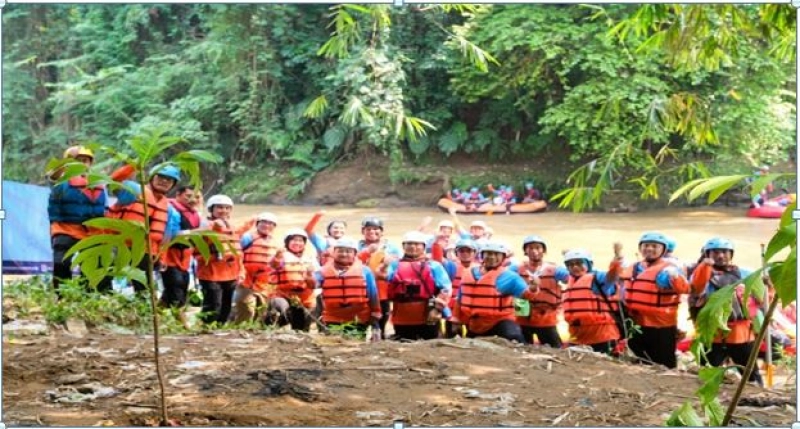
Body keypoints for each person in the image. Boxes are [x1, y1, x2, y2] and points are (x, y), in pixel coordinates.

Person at [47, 145, 131, 294]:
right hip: (65, 228)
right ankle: (62, 295)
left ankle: (88, 295)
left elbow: (116, 179)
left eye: (85, 160)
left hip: (91, 231)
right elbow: (53, 175)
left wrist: (132, 166)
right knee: (61, 263)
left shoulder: (97, 181)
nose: (82, 164)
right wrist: (66, 162)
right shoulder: (61, 178)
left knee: (92, 266)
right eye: (78, 160)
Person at [690, 237, 764, 386]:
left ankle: (758, 393)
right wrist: (704, 266)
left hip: (741, 334)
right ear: (707, 254)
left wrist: (768, 283)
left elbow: (761, 298)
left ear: (731, 254)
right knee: (707, 373)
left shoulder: (745, 273)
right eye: (715, 252)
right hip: (713, 334)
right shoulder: (701, 273)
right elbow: (696, 288)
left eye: (724, 252)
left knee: (750, 374)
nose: (720, 256)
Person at [109, 164, 181, 294]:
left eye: (169, 180)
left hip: (145, 251)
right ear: (152, 177)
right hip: (120, 245)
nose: (164, 181)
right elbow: (114, 182)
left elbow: (166, 237)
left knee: (144, 289)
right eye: (161, 177)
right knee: (104, 278)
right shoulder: (134, 190)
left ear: (173, 185)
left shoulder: (169, 209)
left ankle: (144, 311)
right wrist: (133, 165)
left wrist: (162, 257)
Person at [621, 232, 690, 369]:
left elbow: (685, 289)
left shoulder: (669, 269)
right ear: (640, 248)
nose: (650, 249)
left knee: (664, 361)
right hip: (638, 322)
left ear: (663, 250)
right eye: (646, 246)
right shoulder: (634, 267)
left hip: (661, 324)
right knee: (641, 356)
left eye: (654, 246)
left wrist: (675, 277)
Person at [457, 242, 539, 343]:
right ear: (482, 255)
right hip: (475, 323)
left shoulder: (511, 277)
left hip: (501, 321)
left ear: (503, 257)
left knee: (514, 337)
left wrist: (533, 289)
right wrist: (456, 319)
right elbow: (460, 299)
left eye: (496, 254)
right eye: (489, 253)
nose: (492, 257)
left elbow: (526, 296)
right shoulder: (469, 274)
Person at [195, 194, 253, 326]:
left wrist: (241, 271)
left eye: (227, 208)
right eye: (220, 207)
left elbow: (238, 253)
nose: (224, 211)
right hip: (210, 273)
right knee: (213, 304)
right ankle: (206, 327)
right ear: (212, 209)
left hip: (230, 273)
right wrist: (214, 229)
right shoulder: (205, 225)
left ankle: (220, 327)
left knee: (226, 304)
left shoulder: (231, 228)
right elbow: (202, 243)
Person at [383, 231, 452, 341]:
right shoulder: (394, 265)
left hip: (428, 315)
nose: (413, 247)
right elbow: (385, 280)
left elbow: (446, 289)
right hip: (402, 316)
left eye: (417, 244)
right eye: (409, 244)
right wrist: (384, 265)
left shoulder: (433, 265)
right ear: (403, 246)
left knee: (430, 345)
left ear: (423, 247)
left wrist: (437, 309)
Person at [559, 245, 624, 354]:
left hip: (602, 336)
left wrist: (617, 260)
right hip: (578, 337)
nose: (575, 267)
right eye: (571, 264)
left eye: (579, 263)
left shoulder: (597, 279)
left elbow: (612, 276)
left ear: (589, 265)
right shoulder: (571, 281)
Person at [315, 238, 381, 338]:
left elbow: (373, 294)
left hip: (358, 317)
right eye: (340, 251)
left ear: (354, 254)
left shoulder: (365, 271)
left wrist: (376, 312)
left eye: (348, 251)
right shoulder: (323, 271)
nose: (344, 254)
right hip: (332, 317)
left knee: (355, 345)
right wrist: (308, 278)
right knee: (334, 346)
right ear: (334, 253)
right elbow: (313, 284)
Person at [159, 185, 202, 328]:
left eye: (196, 197)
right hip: (169, 257)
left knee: (173, 292)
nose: (192, 200)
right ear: (178, 194)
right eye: (188, 196)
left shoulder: (195, 214)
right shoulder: (170, 209)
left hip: (184, 260)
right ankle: (183, 326)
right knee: (177, 292)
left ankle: (150, 318)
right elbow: (168, 235)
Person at [512, 235, 563, 348]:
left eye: (538, 247)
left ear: (543, 250)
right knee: (521, 349)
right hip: (522, 315)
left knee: (556, 349)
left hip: (546, 318)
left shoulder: (555, 270)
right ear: (525, 251)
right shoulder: (516, 269)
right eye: (530, 248)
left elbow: (572, 276)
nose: (534, 251)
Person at [356, 217, 402, 338]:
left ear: (382, 232)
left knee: (380, 326)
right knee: (359, 327)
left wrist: (386, 266)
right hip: (360, 292)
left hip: (383, 293)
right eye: (368, 229)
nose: (372, 231)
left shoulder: (391, 248)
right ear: (363, 231)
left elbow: (397, 270)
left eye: (376, 229)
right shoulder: (356, 247)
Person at [267, 228, 319, 331]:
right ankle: (275, 324)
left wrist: (309, 275)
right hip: (283, 294)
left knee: (302, 326)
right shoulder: (281, 257)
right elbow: (273, 265)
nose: (297, 243)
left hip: (305, 298)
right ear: (287, 242)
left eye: (300, 241)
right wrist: (277, 257)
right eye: (294, 240)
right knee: (281, 307)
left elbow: (315, 283)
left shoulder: (310, 258)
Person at [231, 212, 279, 324]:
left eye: (270, 223)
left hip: (263, 283)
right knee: (246, 308)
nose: (267, 225)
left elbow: (276, 265)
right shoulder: (248, 237)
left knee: (261, 311)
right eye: (264, 222)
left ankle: (253, 330)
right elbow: (236, 254)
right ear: (257, 224)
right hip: (245, 280)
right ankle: (238, 327)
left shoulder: (274, 242)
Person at [434, 238, 479, 337]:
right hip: (451, 310)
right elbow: (437, 260)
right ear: (456, 253)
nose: (465, 253)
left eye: (469, 251)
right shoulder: (450, 266)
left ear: (475, 253)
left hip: (471, 310)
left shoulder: (480, 269)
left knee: (471, 336)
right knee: (451, 335)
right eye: (461, 251)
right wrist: (437, 243)